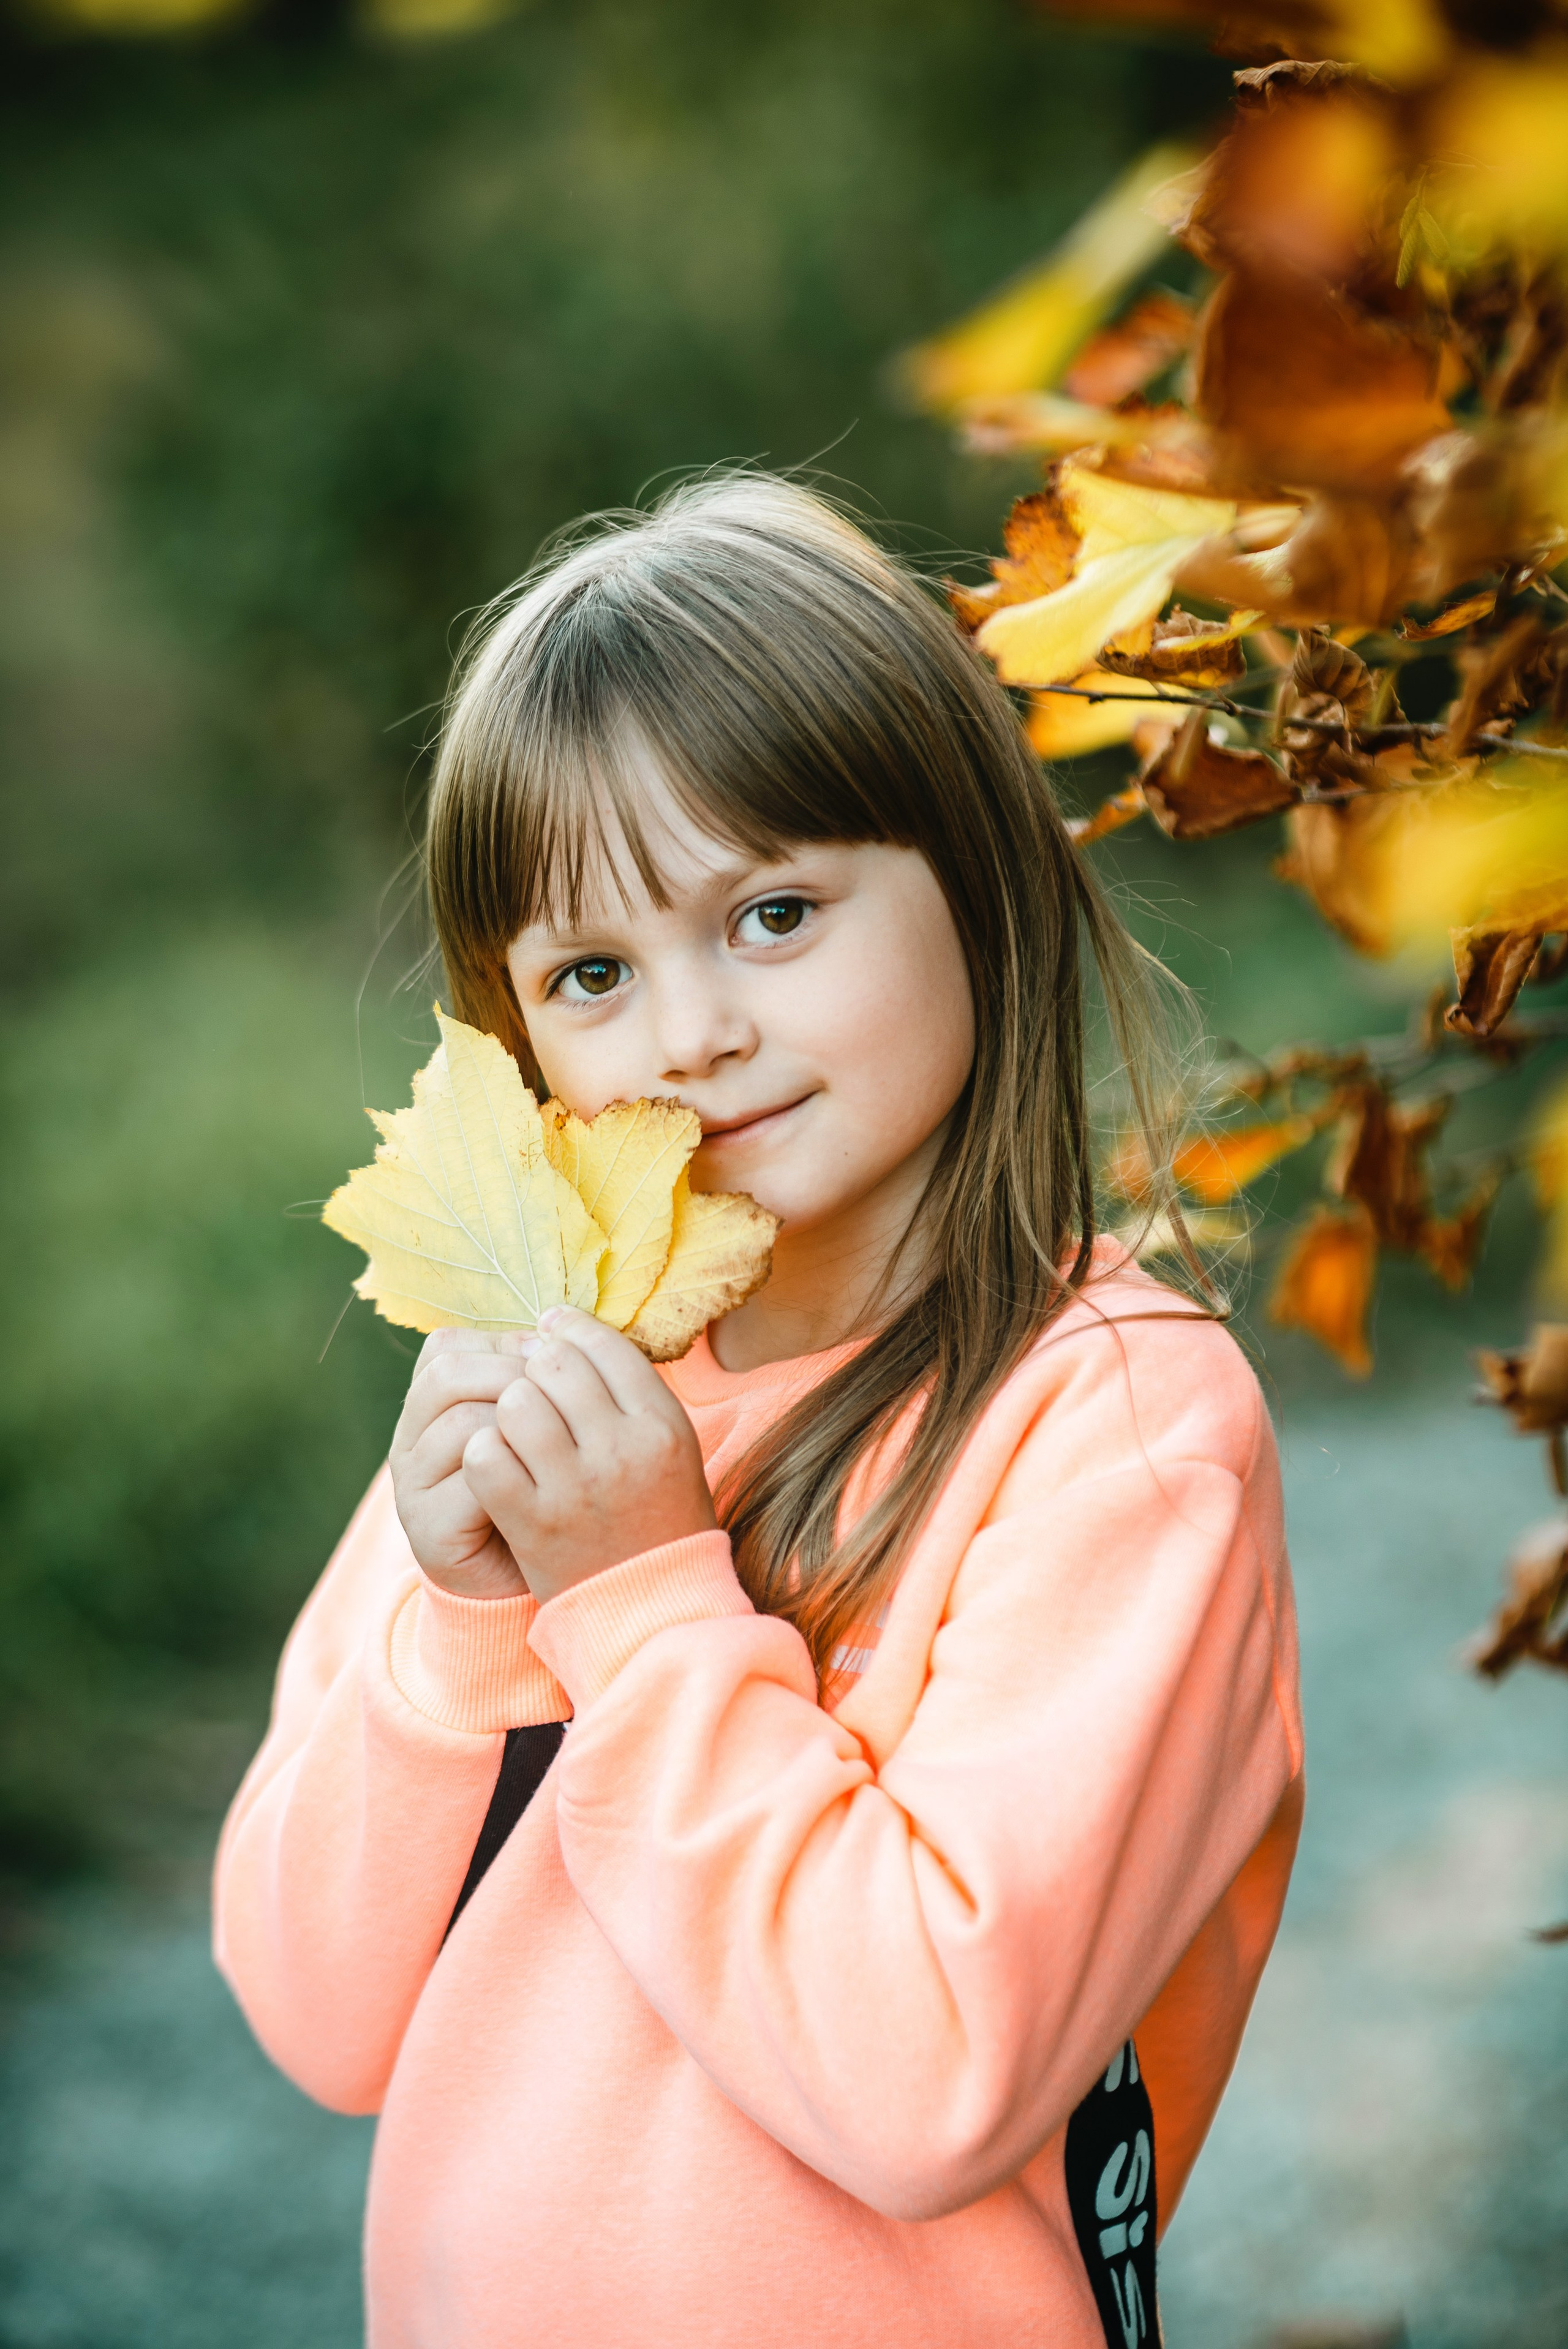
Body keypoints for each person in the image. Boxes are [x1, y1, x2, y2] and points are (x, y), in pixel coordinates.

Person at [215, 474, 1302, 2349]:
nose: (692, 1031)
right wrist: (460, 1628)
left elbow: (933, 2078)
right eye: (592, 972)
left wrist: (642, 1605)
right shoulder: (544, 1388)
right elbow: (321, 2020)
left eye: (775, 911)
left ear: (975, 870)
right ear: (517, 1035)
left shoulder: (1111, 1427)